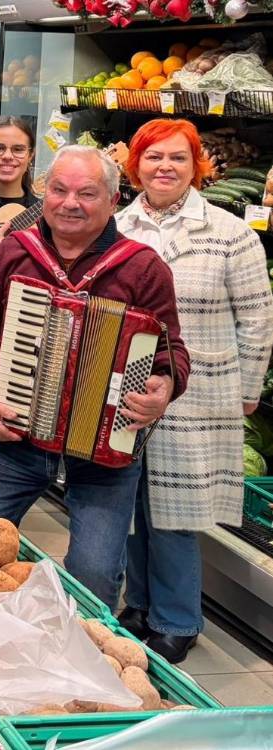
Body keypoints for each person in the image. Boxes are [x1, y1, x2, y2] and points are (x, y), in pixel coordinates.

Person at [0, 144, 190, 611]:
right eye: (59, 190)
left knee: (95, 574)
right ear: (45, 196)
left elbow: (172, 354)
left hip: (104, 453)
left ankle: (86, 661)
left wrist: (163, 390)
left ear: (113, 198)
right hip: (15, 439)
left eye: (86, 193)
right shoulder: (16, 254)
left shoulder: (143, 268)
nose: (70, 203)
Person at [113, 120, 273, 663]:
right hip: (126, 387)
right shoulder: (117, 226)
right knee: (129, 499)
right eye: (154, 157)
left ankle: (178, 619)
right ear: (135, 165)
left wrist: (248, 389)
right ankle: (137, 605)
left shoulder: (231, 233)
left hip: (199, 391)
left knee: (175, 512)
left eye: (178, 158)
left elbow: (257, 318)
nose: (165, 167)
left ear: (196, 165)